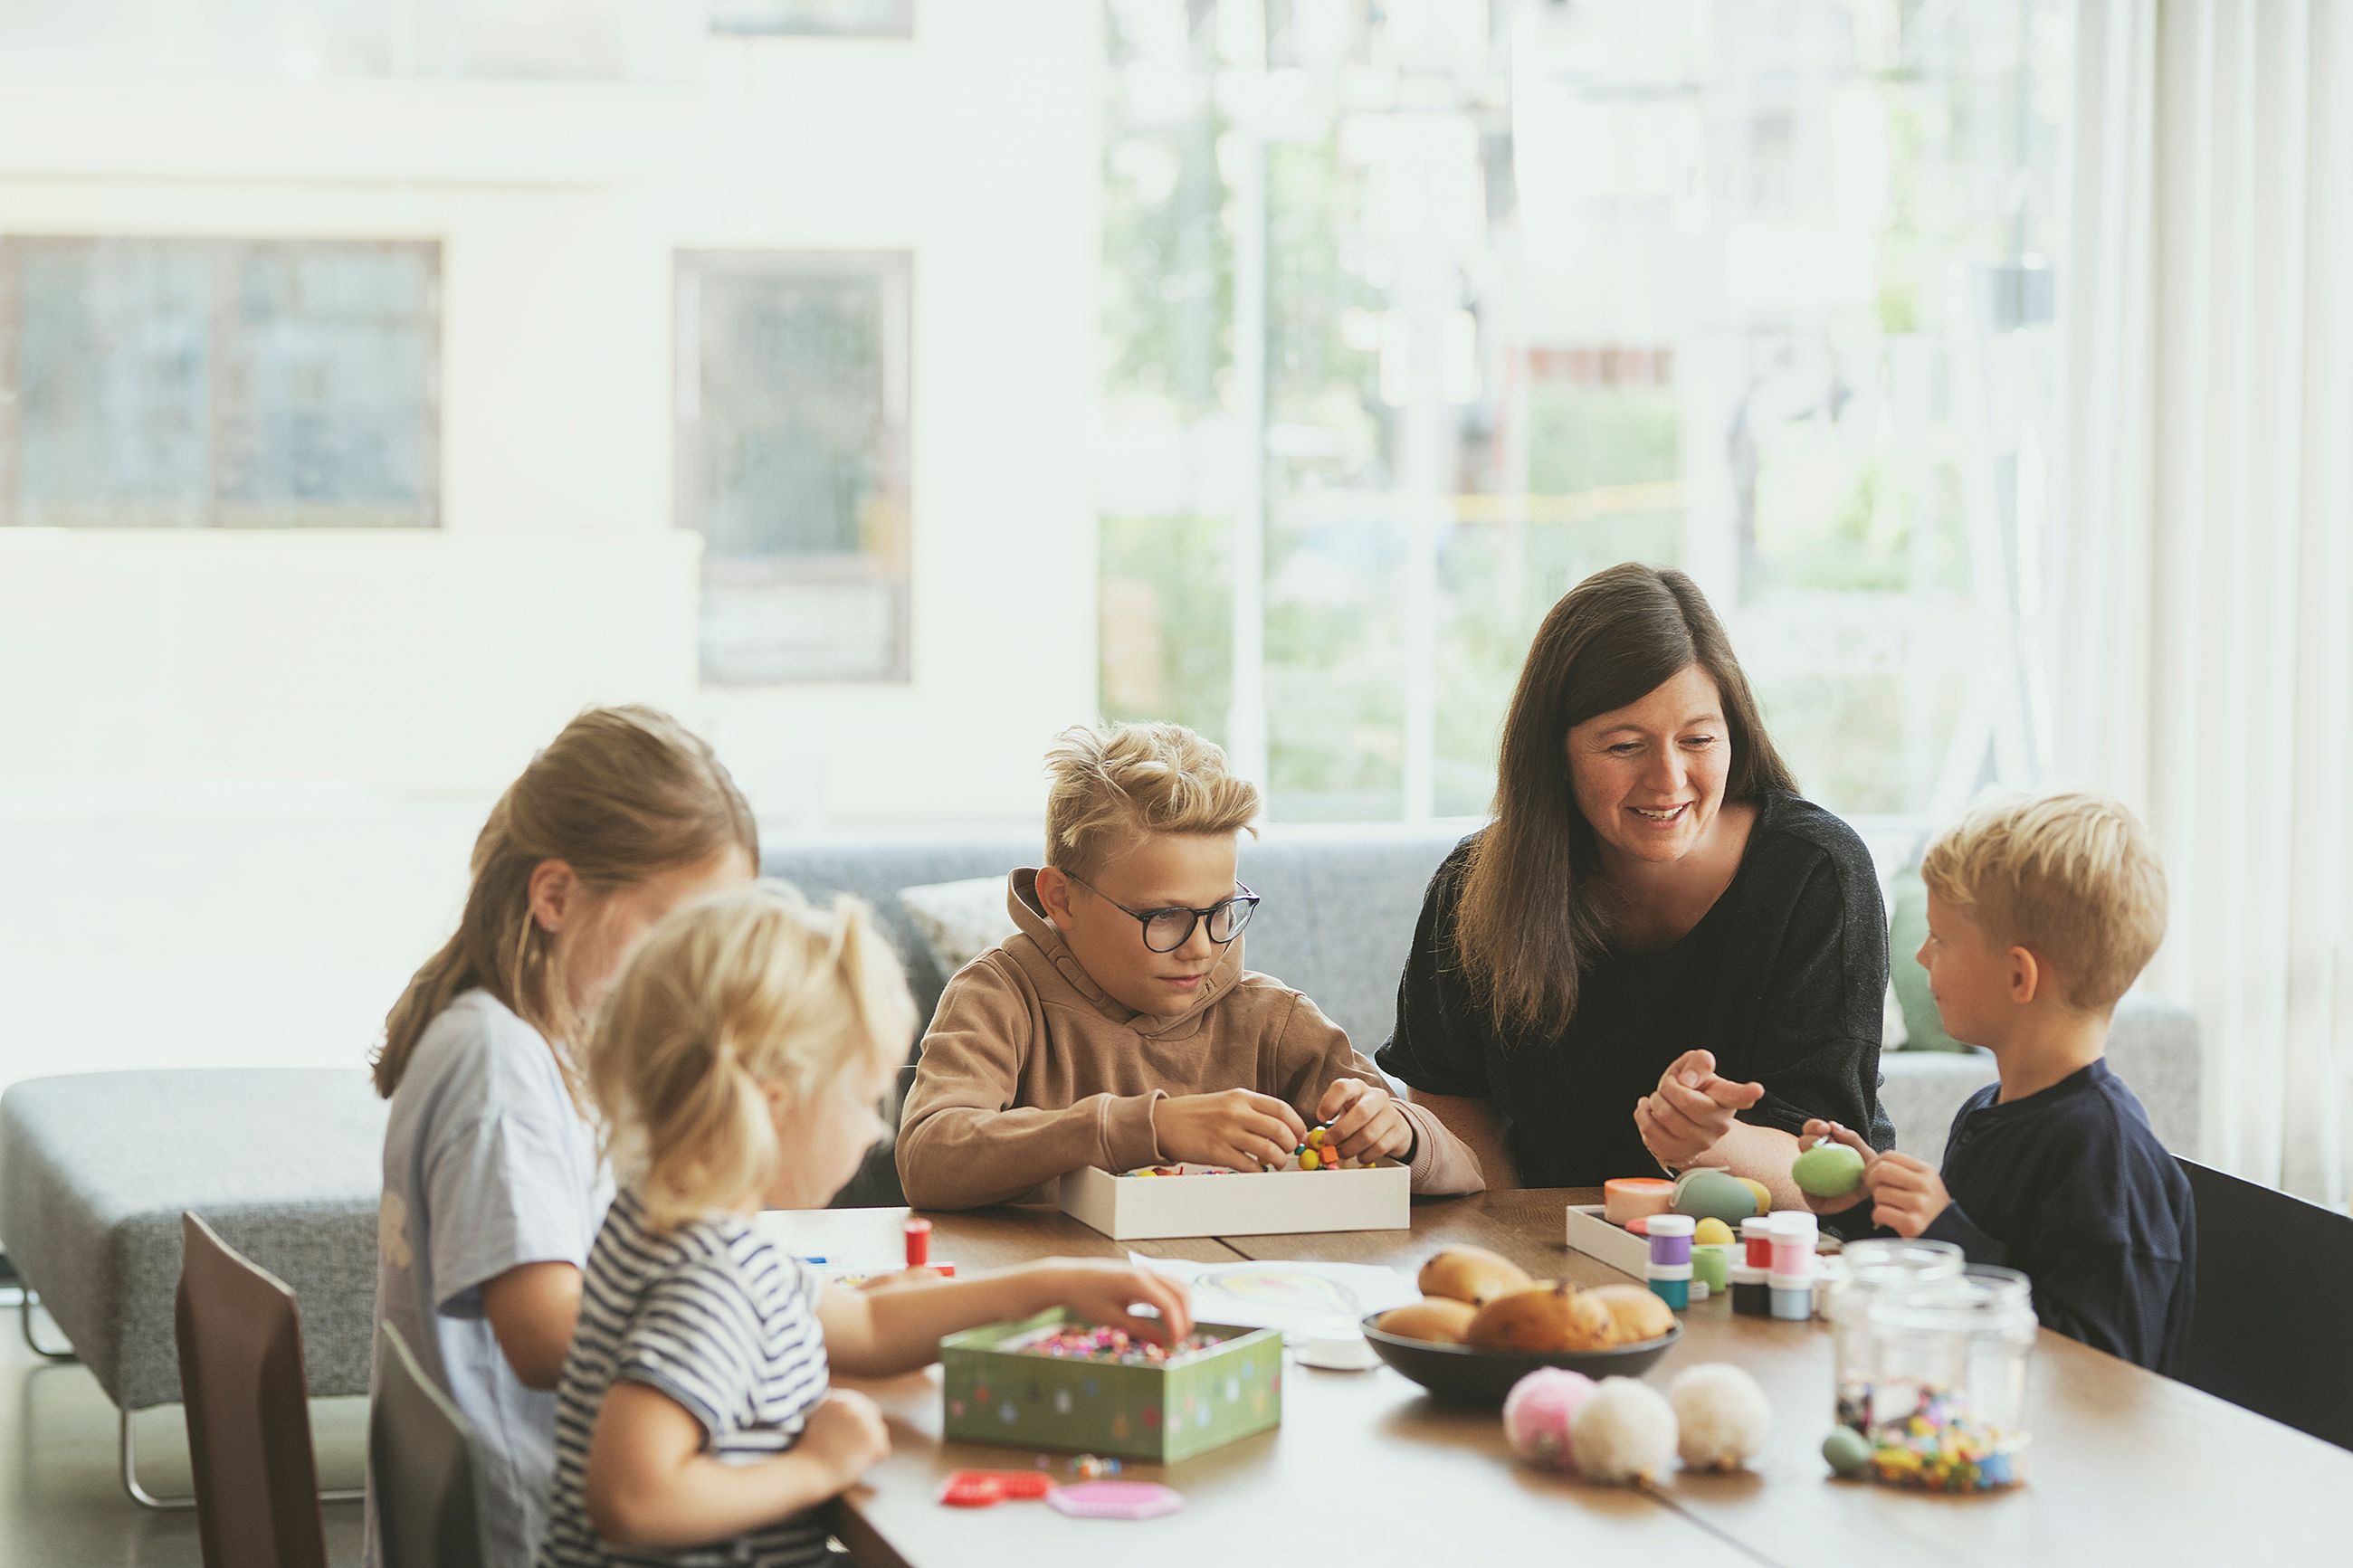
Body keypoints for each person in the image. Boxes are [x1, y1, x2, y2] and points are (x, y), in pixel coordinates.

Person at [539, 883, 1191, 1566]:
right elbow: (631, 1497)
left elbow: (865, 1327)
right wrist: (817, 1467)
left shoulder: (664, 1220)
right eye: (859, 1098)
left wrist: (1050, 1285)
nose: (872, 1132)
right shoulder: (709, 1280)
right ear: (772, 1107)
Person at [367, 706, 757, 1568]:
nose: (693, 972)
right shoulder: (498, 1065)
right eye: (676, 931)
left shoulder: (530, 1038)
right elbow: (544, 1336)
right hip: (533, 1529)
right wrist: (747, 1326)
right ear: (554, 896)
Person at [1377, 563, 1893, 1205]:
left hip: (1775, 1260)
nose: (1669, 779)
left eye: (1698, 738)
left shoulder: (1814, 873)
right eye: (1625, 746)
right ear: (1555, 753)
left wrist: (1707, 1138)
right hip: (1552, 1259)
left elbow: (1826, 1173)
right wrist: (1524, 1255)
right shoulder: (1474, 886)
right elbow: (1453, 1115)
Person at [898, 720, 1482, 1208]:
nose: (1202, 946)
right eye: (1165, 916)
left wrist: (1404, 1134)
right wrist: (1148, 1127)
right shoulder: (1001, 994)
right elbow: (929, 1156)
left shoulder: (1273, 1019)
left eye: (1221, 910)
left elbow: (1464, 1170)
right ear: (1061, 898)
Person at [1801, 791, 2194, 1372]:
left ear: (2018, 975)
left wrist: (1947, 1232)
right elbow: (1959, 1278)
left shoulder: (2102, 1150)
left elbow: (2107, 1365)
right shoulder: (1988, 1111)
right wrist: (1870, 1207)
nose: (1920, 954)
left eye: (1942, 938)